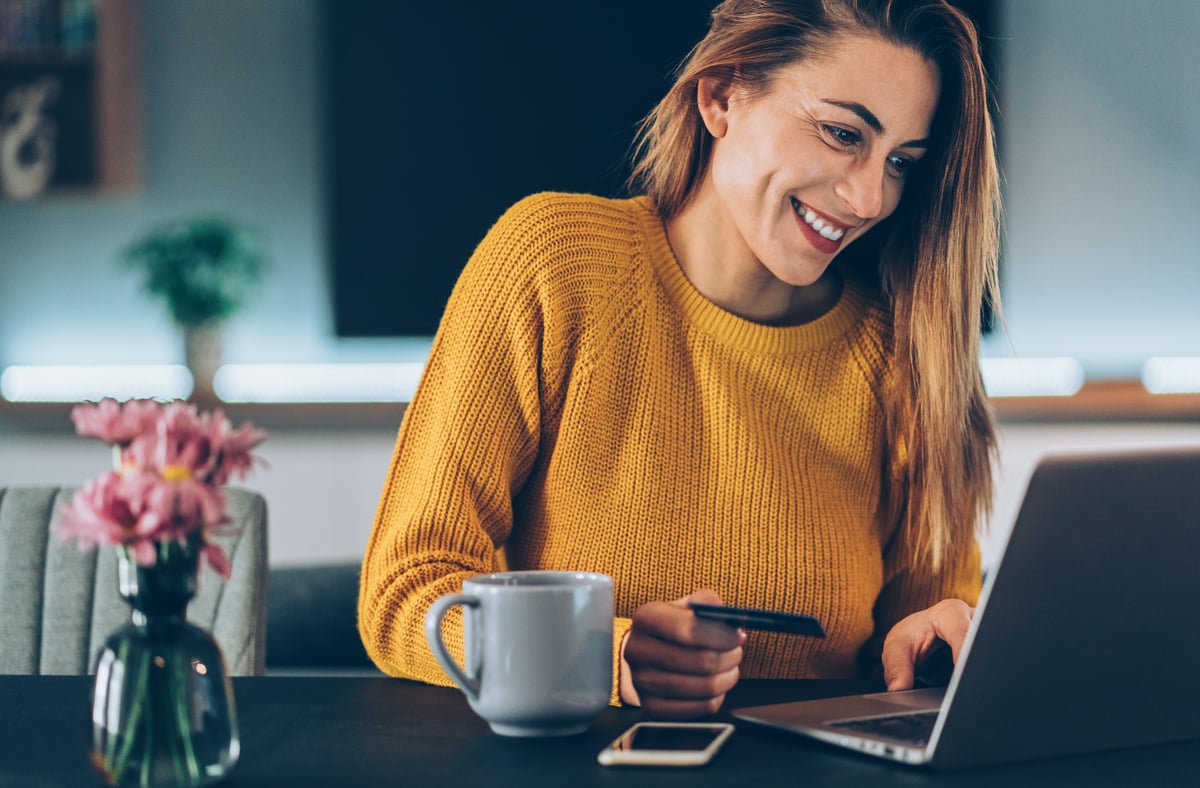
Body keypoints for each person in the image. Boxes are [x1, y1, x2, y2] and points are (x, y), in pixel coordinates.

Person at [358, 0, 1001, 720]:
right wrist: (608, 657)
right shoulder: (552, 267)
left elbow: (928, 626)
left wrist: (930, 640)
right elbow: (406, 590)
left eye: (901, 164)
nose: (868, 196)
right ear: (721, 96)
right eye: (842, 132)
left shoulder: (902, 346)